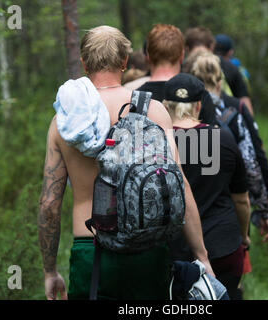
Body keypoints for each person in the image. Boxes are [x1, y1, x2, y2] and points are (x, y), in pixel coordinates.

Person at [38, 25, 214, 300]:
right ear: (124, 62)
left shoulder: (64, 124)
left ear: (84, 63)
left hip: (90, 249)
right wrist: (202, 256)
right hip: (146, 252)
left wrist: (50, 271)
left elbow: (49, 204)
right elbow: (180, 185)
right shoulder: (154, 111)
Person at [164, 73, 251, 300]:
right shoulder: (223, 138)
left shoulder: (156, 142)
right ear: (199, 106)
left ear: (165, 106)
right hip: (223, 246)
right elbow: (241, 199)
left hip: (172, 252)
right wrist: (244, 237)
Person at [188, 51, 268, 242]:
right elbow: (251, 165)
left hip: (189, 211)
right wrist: (264, 208)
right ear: (220, 82)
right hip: (227, 210)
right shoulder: (235, 110)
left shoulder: (182, 113)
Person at [138, 24, 217, 126]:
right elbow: (212, 138)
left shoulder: (138, 98)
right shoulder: (199, 95)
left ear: (148, 56)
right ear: (182, 55)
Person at [184, 27, 254, 116]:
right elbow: (247, 108)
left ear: (186, 48)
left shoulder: (182, 68)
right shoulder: (230, 68)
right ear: (212, 46)